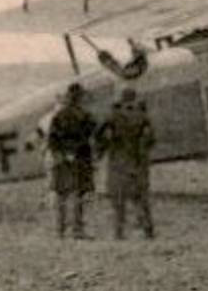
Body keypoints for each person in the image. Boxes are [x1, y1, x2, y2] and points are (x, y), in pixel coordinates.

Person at [96, 87, 157, 239]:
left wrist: (104, 145)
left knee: (118, 198)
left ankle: (119, 231)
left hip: (118, 159)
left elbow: (98, 133)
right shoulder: (142, 116)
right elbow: (152, 139)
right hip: (137, 160)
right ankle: (148, 229)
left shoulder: (114, 116)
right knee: (140, 197)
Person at [45, 82, 97, 238]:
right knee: (77, 193)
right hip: (79, 158)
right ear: (79, 97)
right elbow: (90, 134)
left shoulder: (58, 115)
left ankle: (60, 230)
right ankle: (77, 229)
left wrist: (61, 154)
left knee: (61, 193)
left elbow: (52, 140)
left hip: (61, 159)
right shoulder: (85, 115)